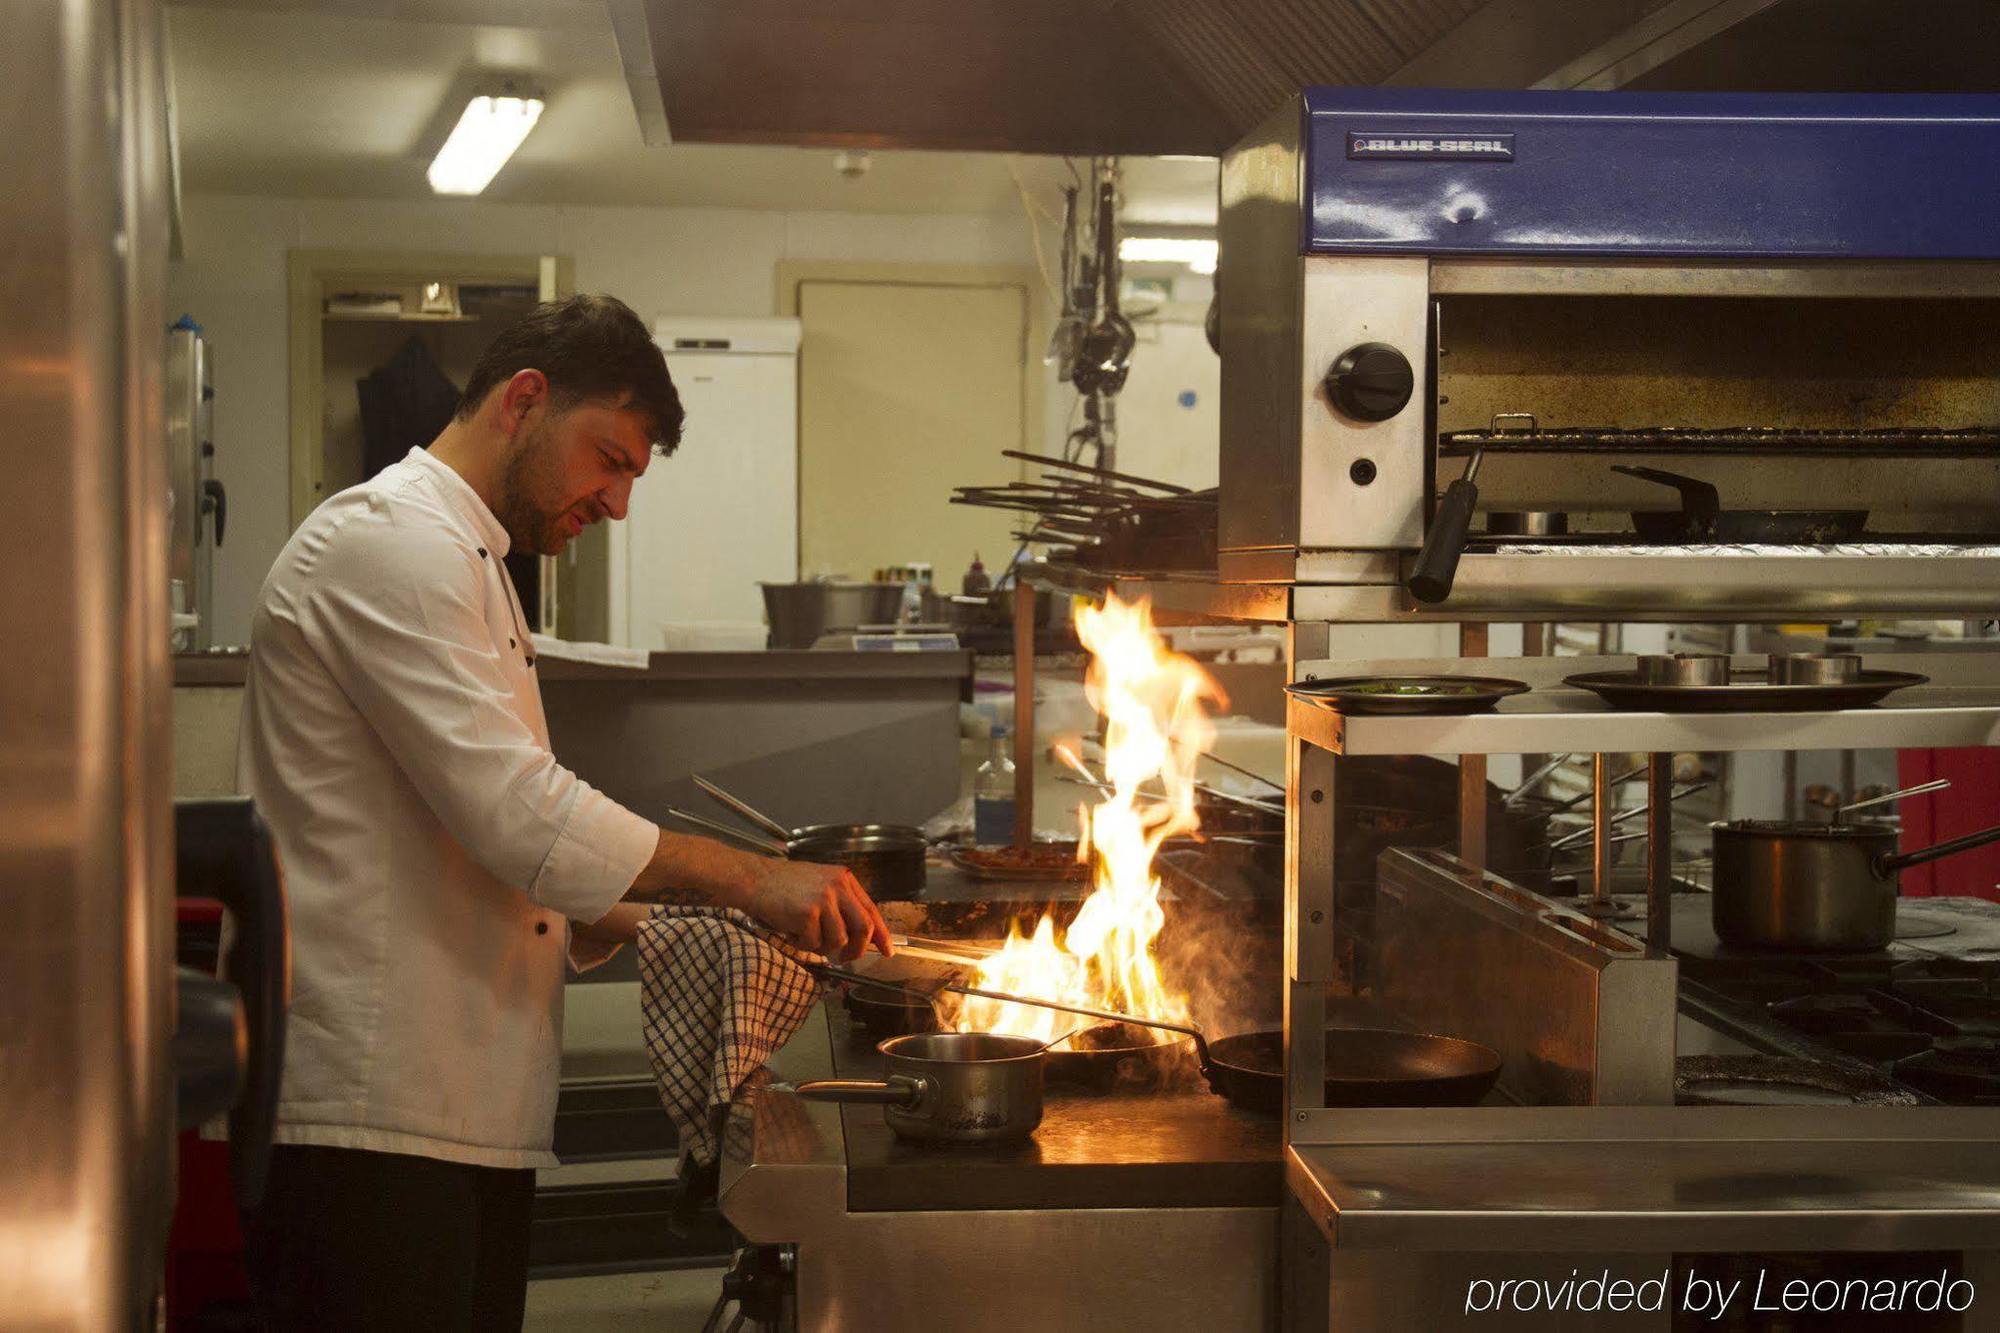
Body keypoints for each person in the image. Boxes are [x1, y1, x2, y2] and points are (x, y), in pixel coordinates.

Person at [235, 294, 890, 1331]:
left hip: (454, 1111)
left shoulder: (473, 560)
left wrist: (692, 931)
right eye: (610, 460)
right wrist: (755, 878)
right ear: (525, 400)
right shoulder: (387, 543)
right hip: (368, 1117)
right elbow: (518, 816)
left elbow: (478, 849)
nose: (616, 503)